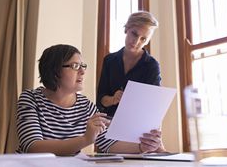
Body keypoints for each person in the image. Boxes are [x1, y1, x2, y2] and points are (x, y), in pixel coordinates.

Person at [16, 44, 166, 156]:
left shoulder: (86, 106)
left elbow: (109, 144)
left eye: (83, 66)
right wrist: (85, 139)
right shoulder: (30, 99)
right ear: (54, 71)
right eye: (75, 66)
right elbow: (33, 146)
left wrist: (142, 147)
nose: (82, 71)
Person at [97, 11, 161, 117]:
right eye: (134, 34)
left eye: (143, 39)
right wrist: (113, 99)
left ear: (147, 41)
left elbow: (153, 106)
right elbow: (100, 99)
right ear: (126, 29)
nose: (136, 42)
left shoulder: (152, 66)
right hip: (107, 124)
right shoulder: (109, 61)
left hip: (137, 125)